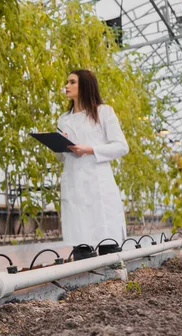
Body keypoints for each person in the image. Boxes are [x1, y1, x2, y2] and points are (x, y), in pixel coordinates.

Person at [56, 69, 129, 259]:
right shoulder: (64, 119)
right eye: (67, 82)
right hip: (73, 182)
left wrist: (89, 150)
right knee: (81, 247)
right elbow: (61, 157)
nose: (67, 86)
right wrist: (60, 145)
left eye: (72, 82)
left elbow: (121, 146)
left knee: (108, 245)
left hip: (98, 184)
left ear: (86, 85)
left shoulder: (103, 112)